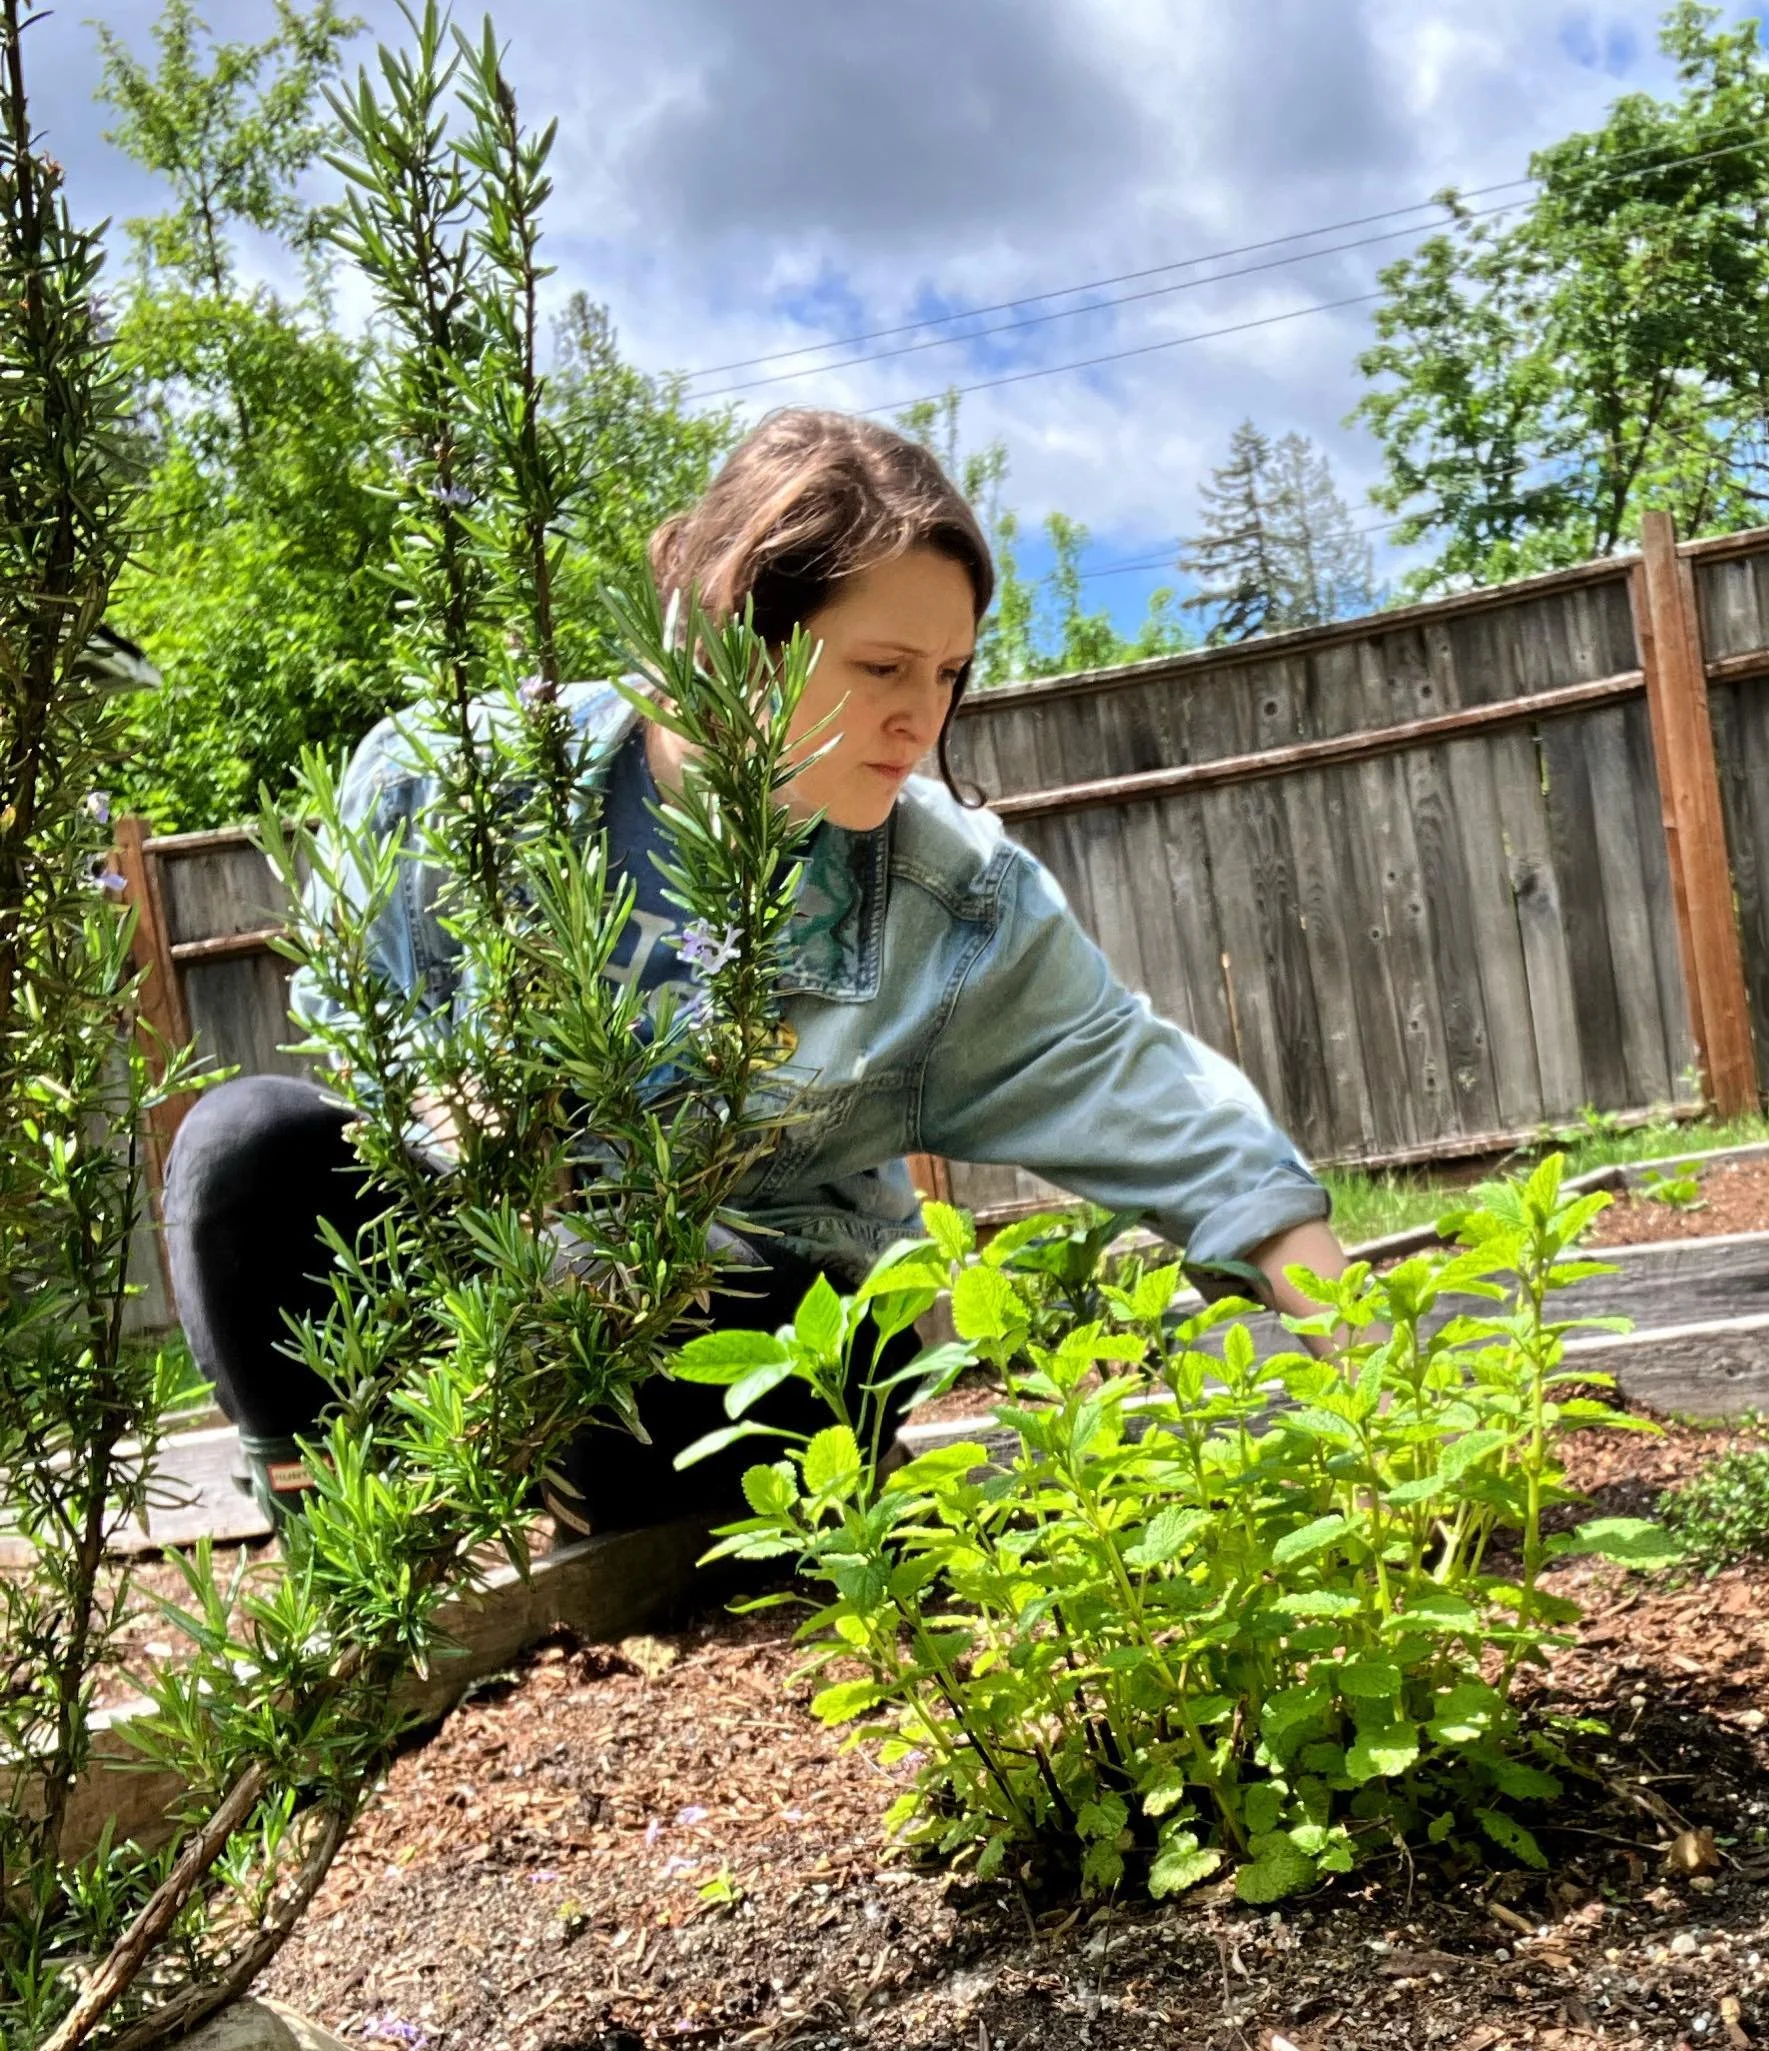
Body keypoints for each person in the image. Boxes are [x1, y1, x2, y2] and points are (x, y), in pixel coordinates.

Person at [164, 409, 1344, 1531]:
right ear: (723, 632)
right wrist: (440, 1104)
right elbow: (353, 1048)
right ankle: (343, 1539)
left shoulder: (950, 902)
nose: (918, 720)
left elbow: (1149, 1093)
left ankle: (581, 1469)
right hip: (477, 1281)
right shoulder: (454, 785)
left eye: (946, 674)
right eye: (881, 666)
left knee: (784, 1322)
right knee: (244, 1143)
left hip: (745, 1334)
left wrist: (1361, 1349)